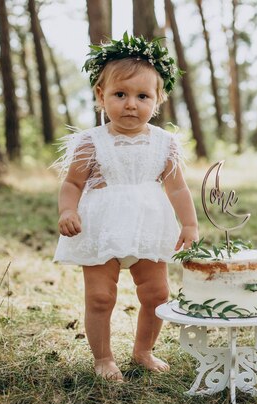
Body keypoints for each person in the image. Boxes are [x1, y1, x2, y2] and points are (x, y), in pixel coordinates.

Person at [52, 33, 199, 382]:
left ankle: (143, 349)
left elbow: (177, 187)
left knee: (157, 293)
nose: (131, 104)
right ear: (101, 96)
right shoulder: (91, 142)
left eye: (142, 96)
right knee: (101, 297)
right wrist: (68, 210)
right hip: (101, 227)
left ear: (158, 100)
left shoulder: (165, 144)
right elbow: (72, 183)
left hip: (149, 226)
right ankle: (103, 358)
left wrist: (190, 225)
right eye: (120, 94)